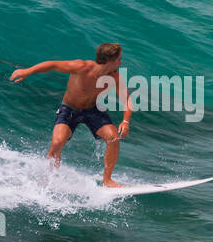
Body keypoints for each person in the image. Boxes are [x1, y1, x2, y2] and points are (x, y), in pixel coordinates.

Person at [10, 43, 131, 187]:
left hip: (93, 109)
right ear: (110, 61)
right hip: (69, 109)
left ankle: (107, 180)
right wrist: (27, 71)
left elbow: (127, 99)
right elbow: (53, 65)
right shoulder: (81, 67)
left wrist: (125, 122)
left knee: (113, 138)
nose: (121, 62)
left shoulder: (115, 77)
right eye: (119, 59)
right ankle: (47, 178)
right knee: (57, 142)